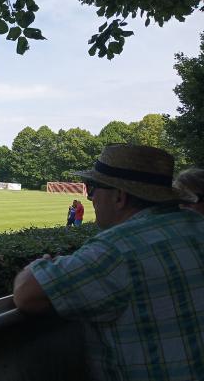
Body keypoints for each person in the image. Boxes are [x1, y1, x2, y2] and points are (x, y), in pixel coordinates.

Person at [13, 144, 204, 381]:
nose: (89, 196)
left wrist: (36, 265)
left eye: (92, 188)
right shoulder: (196, 225)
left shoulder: (116, 249)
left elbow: (27, 294)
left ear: (119, 196)